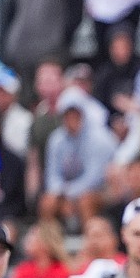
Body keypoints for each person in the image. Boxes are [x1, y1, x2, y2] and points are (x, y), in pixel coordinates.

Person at [40, 89, 116, 224]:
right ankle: (49, 240)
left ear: (83, 114)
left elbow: (95, 176)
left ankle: (90, 239)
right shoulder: (56, 139)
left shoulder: (99, 139)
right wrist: (60, 193)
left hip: (99, 189)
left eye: (76, 114)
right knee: (48, 201)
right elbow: (52, 174)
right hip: (66, 190)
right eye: (68, 115)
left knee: (85, 200)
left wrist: (70, 193)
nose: (72, 119)